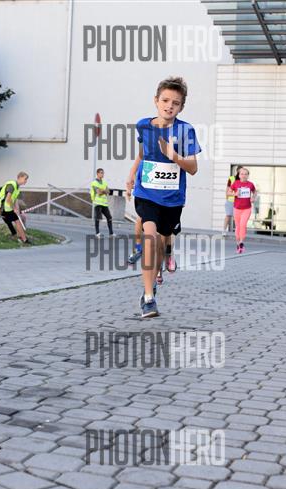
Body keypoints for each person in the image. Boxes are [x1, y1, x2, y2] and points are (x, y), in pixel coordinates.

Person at [127, 76, 200, 318]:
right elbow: (143, 152)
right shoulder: (143, 125)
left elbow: (193, 168)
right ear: (156, 101)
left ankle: (159, 267)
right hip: (146, 192)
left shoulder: (185, 130)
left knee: (160, 241)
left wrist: (173, 155)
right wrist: (131, 174)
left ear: (181, 107)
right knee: (149, 236)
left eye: (175, 103)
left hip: (172, 198)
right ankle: (148, 298)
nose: (169, 106)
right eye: (165, 100)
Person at [227, 167, 257, 253]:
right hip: (237, 208)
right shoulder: (235, 183)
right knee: (238, 226)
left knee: (243, 225)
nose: (244, 175)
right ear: (239, 175)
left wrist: (253, 198)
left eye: (245, 174)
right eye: (242, 174)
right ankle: (237, 243)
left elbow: (255, 192)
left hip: (247, 208)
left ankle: (241, 242)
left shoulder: (250, 184)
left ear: (248, 176)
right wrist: (235, 194)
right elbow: (228, 192)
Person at [0, 172, 31, 244]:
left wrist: (17, 209)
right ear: (20, 177)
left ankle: (21, 237)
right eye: (25, 179)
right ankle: (24, 239)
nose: (26, 181)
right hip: (4, 207)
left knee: (19, 219)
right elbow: (8, 199)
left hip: (8, 207)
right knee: (17, 221)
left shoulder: (17, 188)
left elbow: (14, 200)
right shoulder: (12, 185)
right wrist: (14, 208)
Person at [90, 168, 114, 238]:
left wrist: (102, 190)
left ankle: (111, 234)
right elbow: (98, 192)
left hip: (104, 203)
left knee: (109, 217)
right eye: (101, 173)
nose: (102, 174)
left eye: (103, 173)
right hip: (97, 203)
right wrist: (104, 191)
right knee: (97, 218)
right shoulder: (94, 183)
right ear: (97, 174)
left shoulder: (104, 182)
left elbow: (108, 191)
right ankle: (97, 233)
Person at [222, 166, 243, 235]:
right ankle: (224, 231)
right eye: (240, 171)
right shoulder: (231, 178)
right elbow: (227, 188)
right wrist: (227, 198)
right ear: (237, 171)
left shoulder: (243, 180)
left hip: (239, 201)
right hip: (230, 200)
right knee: (228, 215)